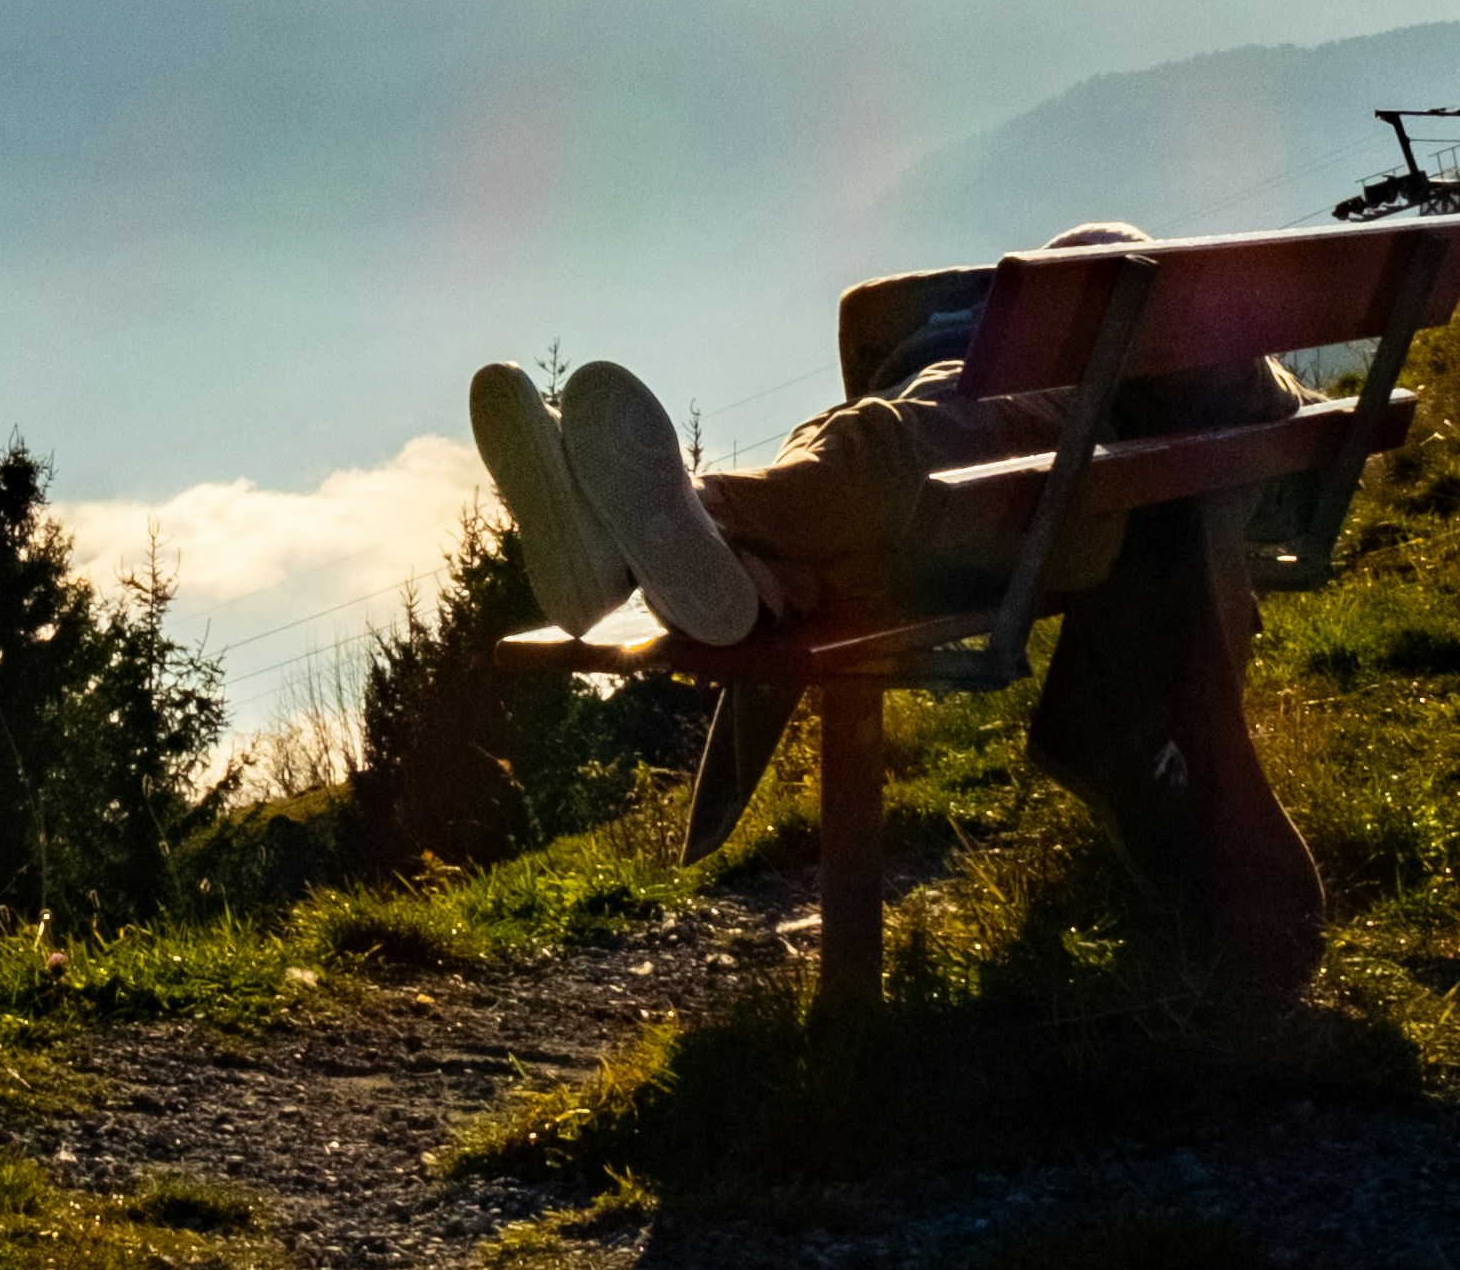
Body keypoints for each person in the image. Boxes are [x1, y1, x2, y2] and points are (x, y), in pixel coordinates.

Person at [467, 226, 1337, 1030]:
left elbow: (1103, 295)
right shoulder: (1235, 382)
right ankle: (704, 559)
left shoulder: (1121, 356)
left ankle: (683, 522)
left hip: (1055, 479)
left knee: (882, 449)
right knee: (871, 483)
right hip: (1020, 493)